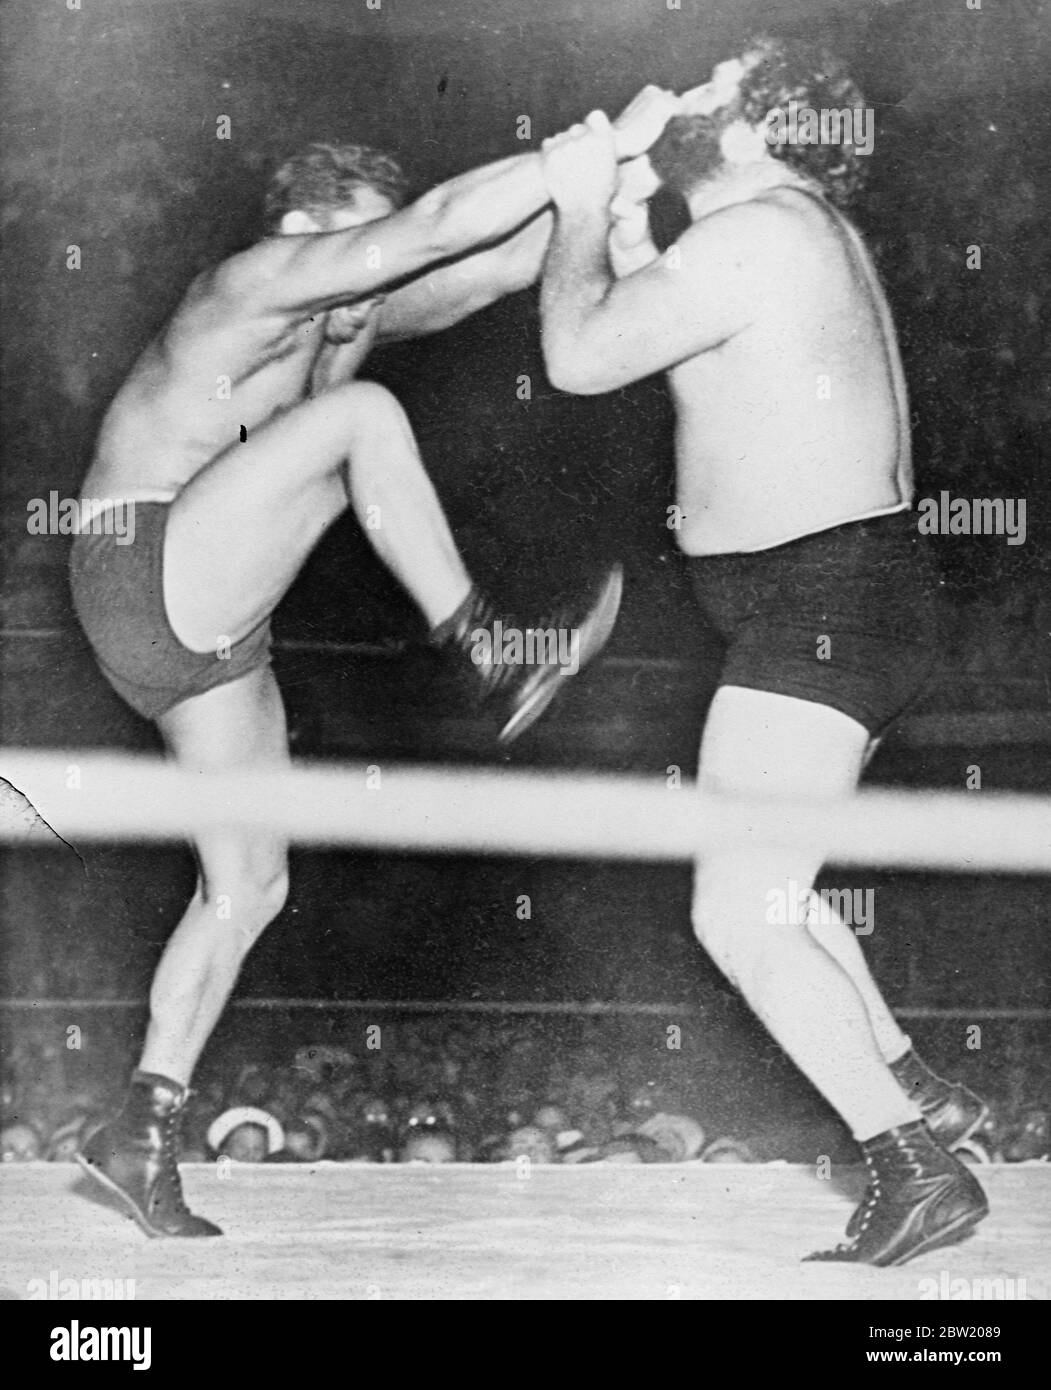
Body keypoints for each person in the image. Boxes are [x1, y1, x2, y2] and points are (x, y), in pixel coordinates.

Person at [74, 92, 678, 1237]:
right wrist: (578, 148)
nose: (370, 291)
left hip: (205, 631)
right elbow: (436, 228)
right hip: (137, 559)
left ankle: (140, 1127)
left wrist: (603, 201)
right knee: (360, 419)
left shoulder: (340, 314)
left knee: (248, 885)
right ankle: (491, 648)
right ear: (306, 228)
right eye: (359, 246)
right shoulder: (250, 284)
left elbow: (485, 266)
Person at [538, 37, 988, 1266]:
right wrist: (626, 230)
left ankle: (911, 1162)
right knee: (775, 886)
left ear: (751, 126)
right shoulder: (770, 235)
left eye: (710, 87)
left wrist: (580, 209)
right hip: (836, 594)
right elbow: (660, 339)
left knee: (737, 911)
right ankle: (919, 1089)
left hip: (824, 596)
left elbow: (578, 356)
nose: (680, 96)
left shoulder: (761, 235)